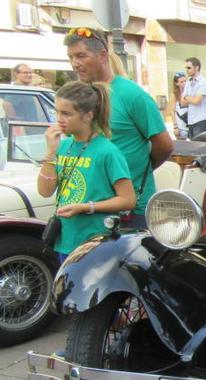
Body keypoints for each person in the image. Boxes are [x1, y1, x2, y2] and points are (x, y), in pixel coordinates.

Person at [63, 27, 172, 228]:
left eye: (81, 56)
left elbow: (164, 145)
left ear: (103, 56)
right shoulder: (80, 97)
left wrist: (134, 171)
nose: (75, 64)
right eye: (71, 57)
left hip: (130, 211)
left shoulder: (132, 95)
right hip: (91, 206)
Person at [36, 81, 135, 261]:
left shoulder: (107, 151)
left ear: (88, 116)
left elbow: (128, 199)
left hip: (95, 242)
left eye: (66, 113)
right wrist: (50, 152)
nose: (59, 119)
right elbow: (45, 191)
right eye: (56, 111)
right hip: (65, 239)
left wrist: (86, 207)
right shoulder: (63, 145)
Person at [180, 57, 206, 138]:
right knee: (193, 147)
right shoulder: (188, 82)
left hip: (200, 120)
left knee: (199, 147)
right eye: (186, 68)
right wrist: (191, 98)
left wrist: (187, 97)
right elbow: (182, 102)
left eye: (189, 68)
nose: (187, 70)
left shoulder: (203, 82)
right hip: (190, 120)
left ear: (196, 68)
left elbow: (197, 101)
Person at [172, 72, 188, 140]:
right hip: (181, 128)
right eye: (181, 82)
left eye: (185, 81)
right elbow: (172, 111)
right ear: (176, 83)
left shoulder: (190, 93)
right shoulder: (175, 95)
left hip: (191, 126)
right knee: (182, 148)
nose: (184, 83)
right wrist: (175, 127)